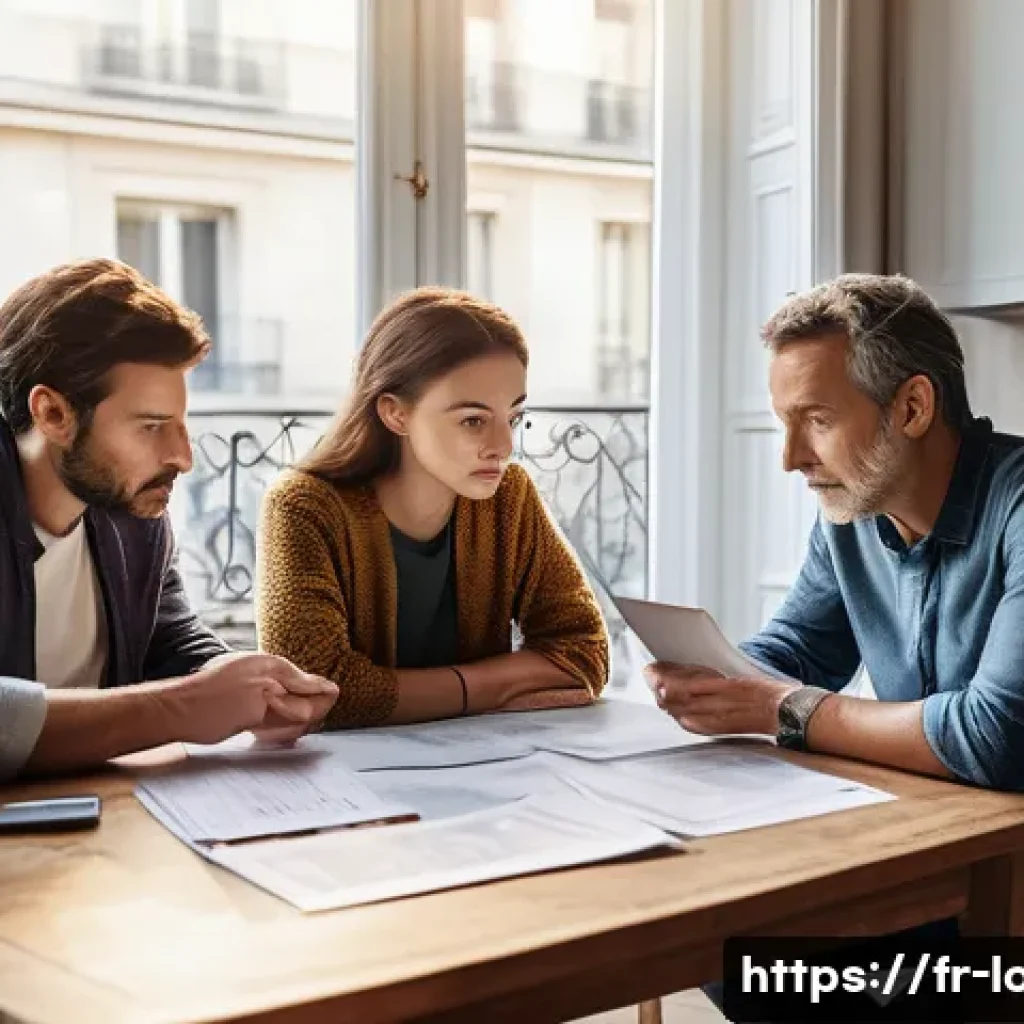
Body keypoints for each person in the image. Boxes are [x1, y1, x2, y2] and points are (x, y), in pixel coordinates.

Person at [646, 272, 1024, 792]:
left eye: (818, 420)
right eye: (785, 424)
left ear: (913, 407)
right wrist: (714, 681)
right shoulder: (854, 511)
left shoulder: (1017, 507)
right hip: (931, 817)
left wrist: (781, 708)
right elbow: (802, 648)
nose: (791, 458)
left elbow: (998, 735)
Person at [0, 259, 338, 782]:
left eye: (181, 425)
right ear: (53, 415)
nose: (183, 457)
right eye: (151, 427)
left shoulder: (132, 511)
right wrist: (181, 708)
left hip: (97, 816)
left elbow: (169, 636)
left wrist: (240, 683)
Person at [256, 287, 609, 728]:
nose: (503, 446)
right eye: (473, 421)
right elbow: (317, 689)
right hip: (344, 782)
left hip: (489, 766)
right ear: (395, 414)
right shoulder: (303, 508)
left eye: (513, 418)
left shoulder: (510, 497)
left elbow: (584, 652)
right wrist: (492, 688)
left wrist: (409, 693)